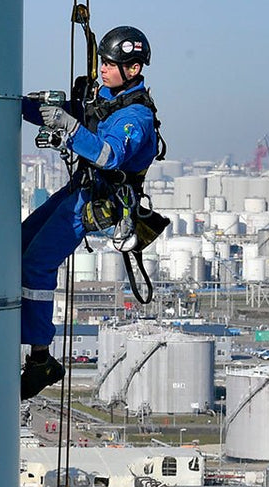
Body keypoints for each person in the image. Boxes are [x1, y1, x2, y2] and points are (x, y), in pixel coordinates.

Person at [19, 25, 162, 399]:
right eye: (103, 60)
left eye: (111, 63)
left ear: (132, 69)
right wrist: (24, 106)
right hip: (80, 188)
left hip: (98, 199)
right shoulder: (107, 99)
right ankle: (23, 335)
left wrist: (68, 128)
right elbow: (76, 113)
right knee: (18, 243)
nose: (103, 68)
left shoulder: (135, 117)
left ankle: (40, 357)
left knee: (36, 264)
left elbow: (109, 154)